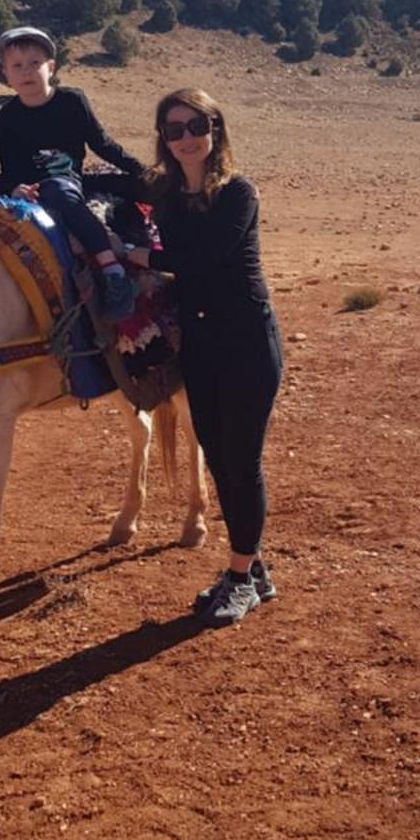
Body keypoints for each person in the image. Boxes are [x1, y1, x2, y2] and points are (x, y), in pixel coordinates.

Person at [126, 87, 283, 626]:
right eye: (174, 130)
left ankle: (240, 578)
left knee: (242, 461)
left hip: (246, 343)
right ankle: (253, 569)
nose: (187, 138)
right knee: (218, 459)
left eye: (197, 126)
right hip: (200, 344)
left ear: (215, 131)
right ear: (164, 139)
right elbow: (118, 178)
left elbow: (201, 259)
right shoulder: (167, 195)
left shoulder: (239, 193)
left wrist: (137, 254)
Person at [0, 25, 144, 322]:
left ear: (51, 67)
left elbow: (102, 144)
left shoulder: (72, 101)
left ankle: (113, 272)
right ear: (6, 73)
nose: (26, 71)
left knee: (61, 192)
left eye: (34, 63)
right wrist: (17, 187)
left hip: (63, 179)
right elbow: (9, 167)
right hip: (26, 183)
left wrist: (142, 171)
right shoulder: (6, 118)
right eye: (17, 66)